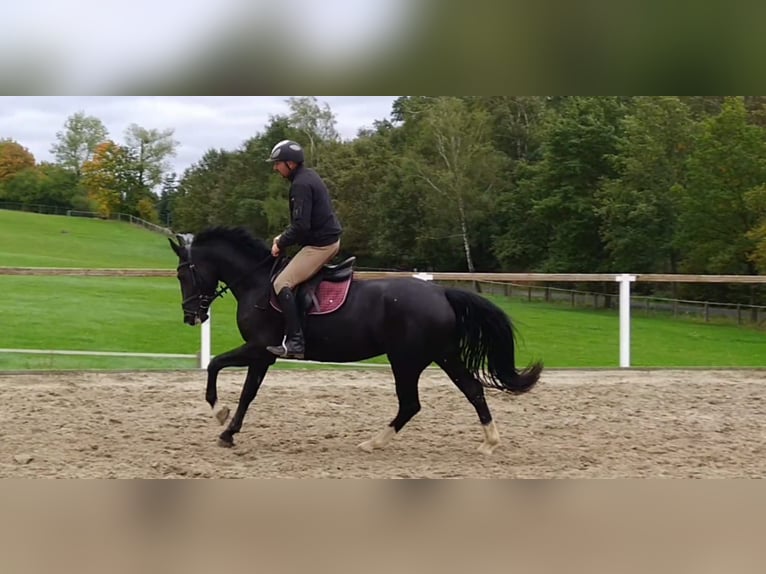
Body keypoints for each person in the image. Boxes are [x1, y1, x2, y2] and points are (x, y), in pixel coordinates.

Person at [264, 139, 342, 359]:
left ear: (290, 163)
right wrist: (284, 237)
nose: (275, 167)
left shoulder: (300, 185)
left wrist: (280, 243)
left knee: (281, 283)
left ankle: (295, 342)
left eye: (278, 163)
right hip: (322, 240)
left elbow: (300, 226)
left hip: (321, 245)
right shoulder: (308, 176)